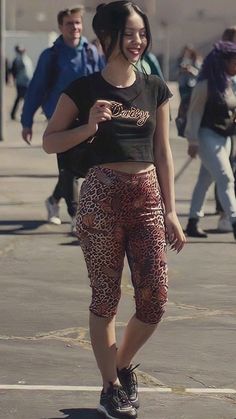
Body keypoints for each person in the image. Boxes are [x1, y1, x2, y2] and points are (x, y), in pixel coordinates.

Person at [43, 1, 186, 418]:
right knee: (105, 297)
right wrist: (88, 126)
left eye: (142, 32)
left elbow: (163, 151)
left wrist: (172, 211)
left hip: (146, 198)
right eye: (129, 33)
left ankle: (121, 366)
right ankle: (110, 387)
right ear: (107, 37)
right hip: (100, 197)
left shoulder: (155, 87)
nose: (138, 40)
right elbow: (51, 141)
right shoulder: (83, 89)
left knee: (154, 299)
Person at [21, 6, 104, 232]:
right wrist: (26, 121)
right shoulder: (51, 56)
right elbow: (35, 89)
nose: (75, 27)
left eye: (77, 23)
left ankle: (52, 200)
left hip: (88, 121)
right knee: (68, 168)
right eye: (69, 23)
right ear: (60, 27)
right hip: (61, 121)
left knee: (82, 168)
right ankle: (76, 216)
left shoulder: (92, 52)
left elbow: (103, 82)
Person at [184, 41, 236, 240]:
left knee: (205, 181)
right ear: (223, 61)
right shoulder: (205, 84)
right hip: (207, 137)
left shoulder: (228, 83)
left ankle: (192, 222)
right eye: (234, 61)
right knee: (226, 178)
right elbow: (194, 113)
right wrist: (192, 140)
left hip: (224, 138)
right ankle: (234, 221)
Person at [215, 26, 236, 232]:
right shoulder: (220, 69)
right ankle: (225, 215)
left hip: (229, 127)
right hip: (223, 127)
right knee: (225, 172)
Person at [10, 45, 33, 120]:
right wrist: (14, 80)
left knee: (23, 98)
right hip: (21, 83)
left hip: (27, 82)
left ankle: (16, 114)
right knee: (24, 98)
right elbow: (14, 71)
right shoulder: (17, 60)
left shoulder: (26, 59)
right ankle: (22, 115)